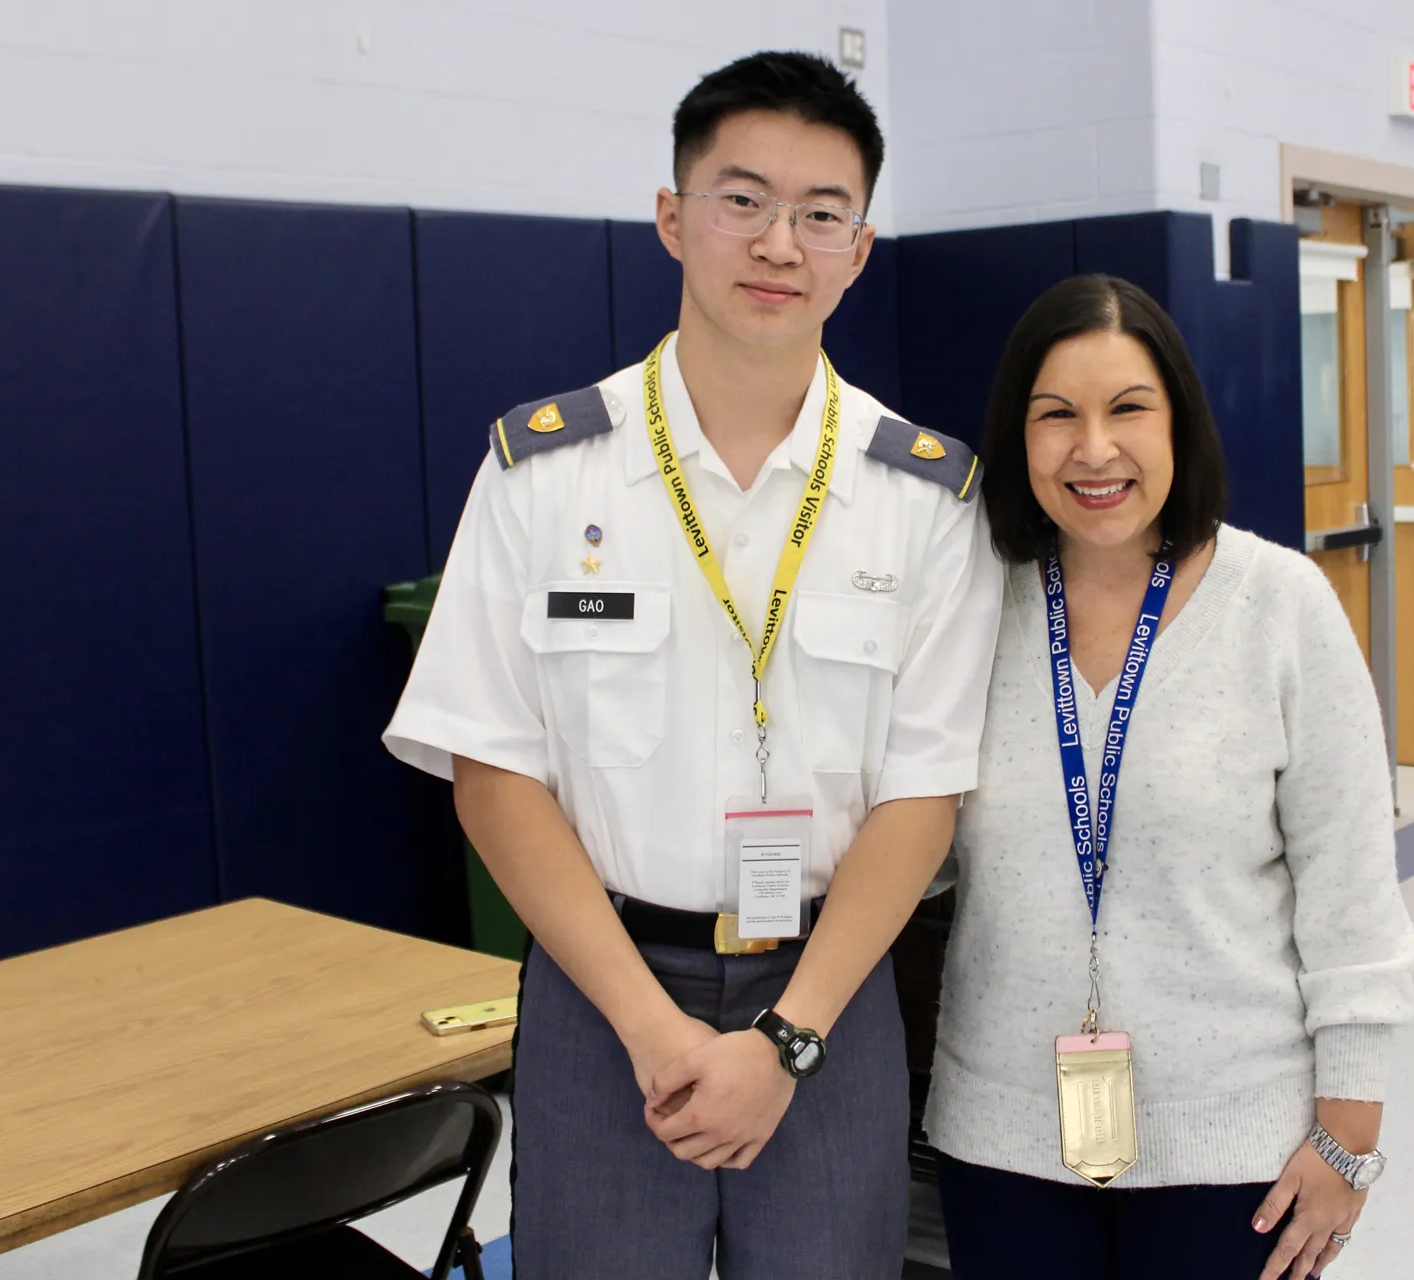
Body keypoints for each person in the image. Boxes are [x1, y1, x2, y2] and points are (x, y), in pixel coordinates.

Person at [382, 51, 1002, 1280]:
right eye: (743, 198)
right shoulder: (542, 472)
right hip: (603, 991)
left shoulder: (925, 496)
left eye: (822, 213)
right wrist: (650, 1026)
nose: (781, 243)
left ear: (862, 247)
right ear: (673, 218)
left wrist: (785, 1039)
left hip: (828, 995)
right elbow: (492, 773)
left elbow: (924, 798)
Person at [924, 274, 1414, 1280]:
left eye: (1127, 409)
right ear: (1018, 437)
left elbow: (1352, 896)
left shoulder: (1281, 605)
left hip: (1236, 1145)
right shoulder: (970, 605)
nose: (1093, 447)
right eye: (1055, 414)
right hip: (1002, 1137)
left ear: (1179, 423)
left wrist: (1347, 1140)